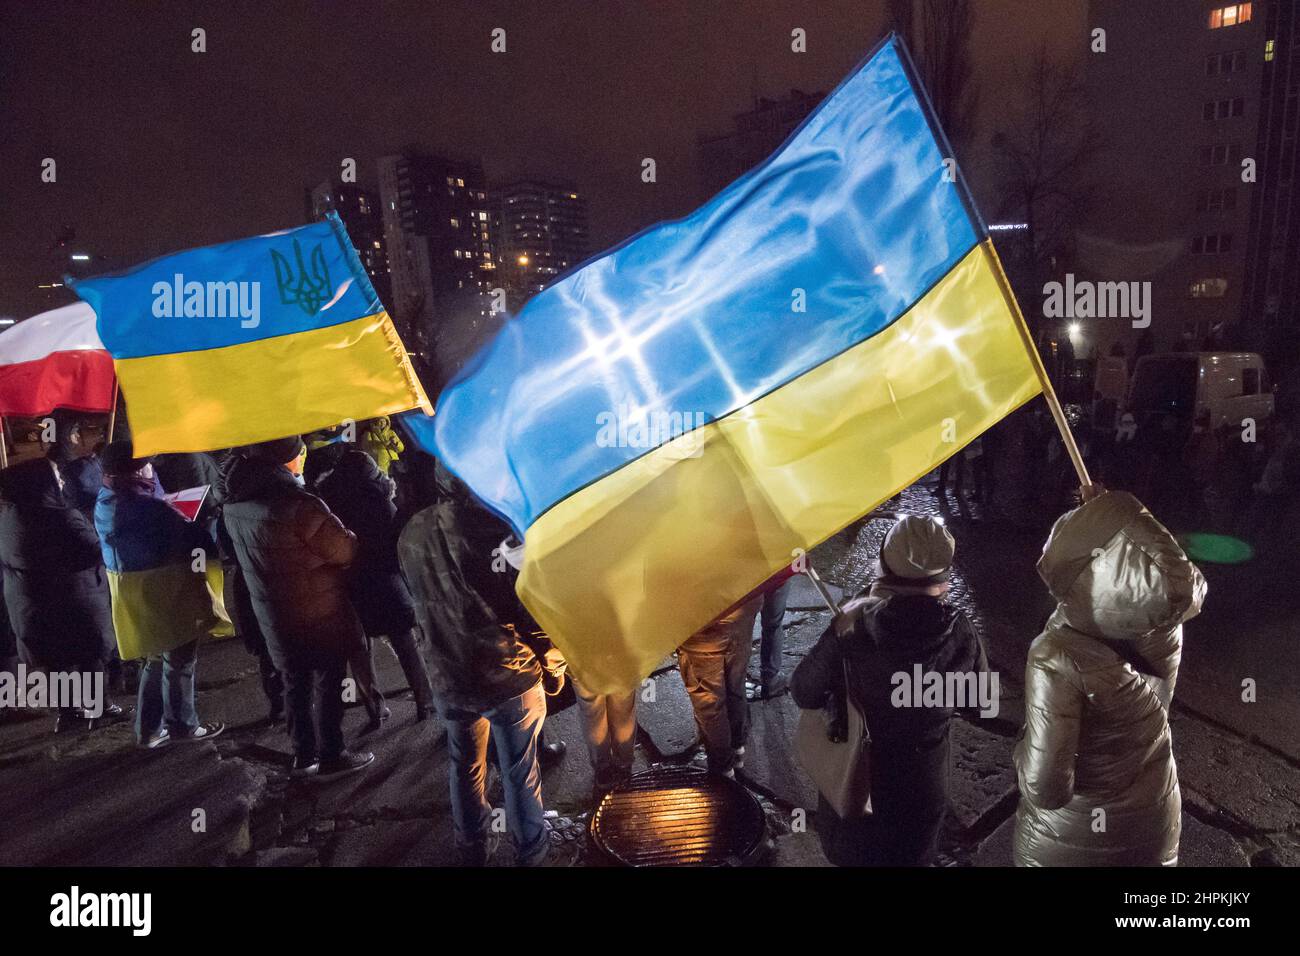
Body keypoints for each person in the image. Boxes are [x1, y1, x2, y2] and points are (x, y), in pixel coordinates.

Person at [1013, 486, 1206, 866]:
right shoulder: (1164, 621)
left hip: (1075, 841)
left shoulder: (1055, 657)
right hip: (1153, 824)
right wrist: (1118, 515)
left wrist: (1021, 750)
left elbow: (1047, 788)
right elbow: (1163, 573)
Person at [791, 515, 987, 866]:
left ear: (882, 564)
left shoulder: (853, 626)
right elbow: (979, 705)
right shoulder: (961, 631)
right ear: (943, 574)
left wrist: (838, 632)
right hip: (921, 788)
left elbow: (805, 692)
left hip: (856, 783)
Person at [397, 462, 565, 866]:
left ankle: (471, 844)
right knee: (519, 770)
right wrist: (555, 664)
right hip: (506, 674)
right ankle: (533, 848)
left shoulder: (411, 530)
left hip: (445, 672)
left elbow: (418, 598)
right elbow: (530, 611)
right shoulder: (495, 532)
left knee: (464, 763)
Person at [220, 436, 374, 781]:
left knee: (295, 684)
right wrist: (347, 533)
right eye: (298, 452)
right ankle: (333, 753)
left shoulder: (234, 505)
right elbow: (344, 551)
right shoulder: (299, 505)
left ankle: (304, 756)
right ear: (286, 461)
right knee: (329, 681)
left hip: (273, 615)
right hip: (318, 611)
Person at [94, 442, 225, 748]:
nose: (151, 468)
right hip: (165, 591)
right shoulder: (148, 509)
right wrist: (196, 519)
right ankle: (184, 725)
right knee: (180, 659)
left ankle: (149, 729)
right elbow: (191, 539)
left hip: (134, 593)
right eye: (145, 465)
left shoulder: (106, 499)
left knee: (154, 659)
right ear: (134, 471)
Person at [313, 438, 436, 724]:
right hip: (388, 583)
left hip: (352, 584)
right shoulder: (383, 500)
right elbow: (397, 544)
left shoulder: (328, 501)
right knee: (407, 645)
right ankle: (424, 701)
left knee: (360, 650)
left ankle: (375, 710)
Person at [0, 456, 117, 733]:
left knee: (55, 660)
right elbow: (94, 552)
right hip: (74, 600)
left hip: (31, 606)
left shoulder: (7, 518)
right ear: (41, 483)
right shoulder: (60, 516)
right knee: (89, 654)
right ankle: (99, 708)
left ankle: (68, 714)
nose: (62, 480)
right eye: (56, 476)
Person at [678, 595, 761, 778]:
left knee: (710, 705)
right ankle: (737, 748)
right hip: (742, 612)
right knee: (735, 686)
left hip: (702, 628)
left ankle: (723, 768)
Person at [748, 576, 792, 700]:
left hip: (744, 574)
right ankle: (771, 678)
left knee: (742, 625)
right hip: (777, 573)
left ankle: (735, 683)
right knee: (772, 625)